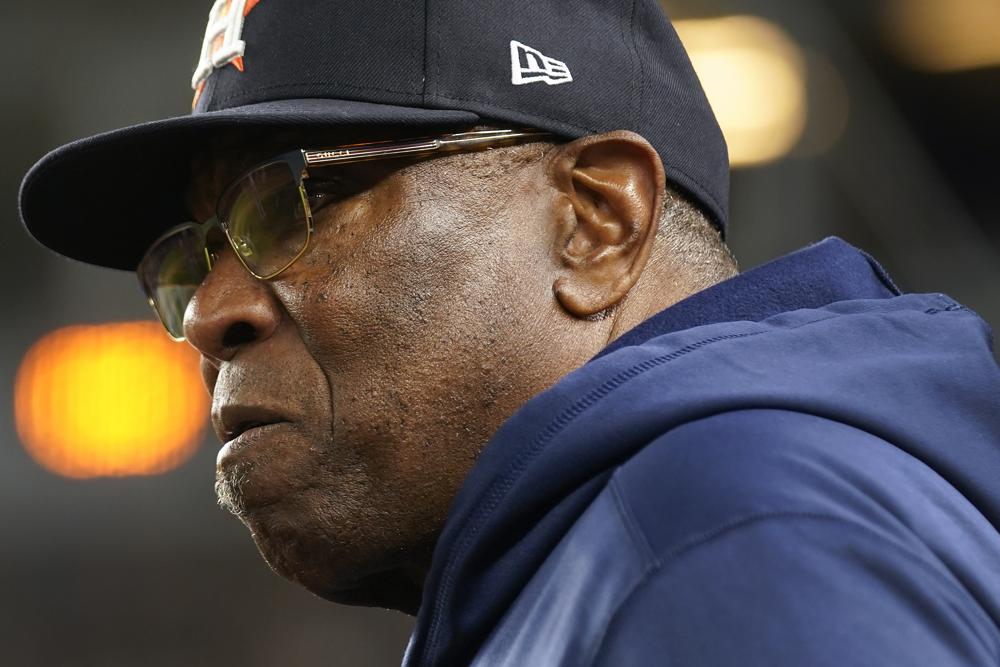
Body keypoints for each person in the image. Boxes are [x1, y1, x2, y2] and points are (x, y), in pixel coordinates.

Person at [19, 0, 1000, 665]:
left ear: (594, 223)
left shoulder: (722, 529)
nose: (204, 313)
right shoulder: (615, 555)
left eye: (289, 204)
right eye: (190, 256)